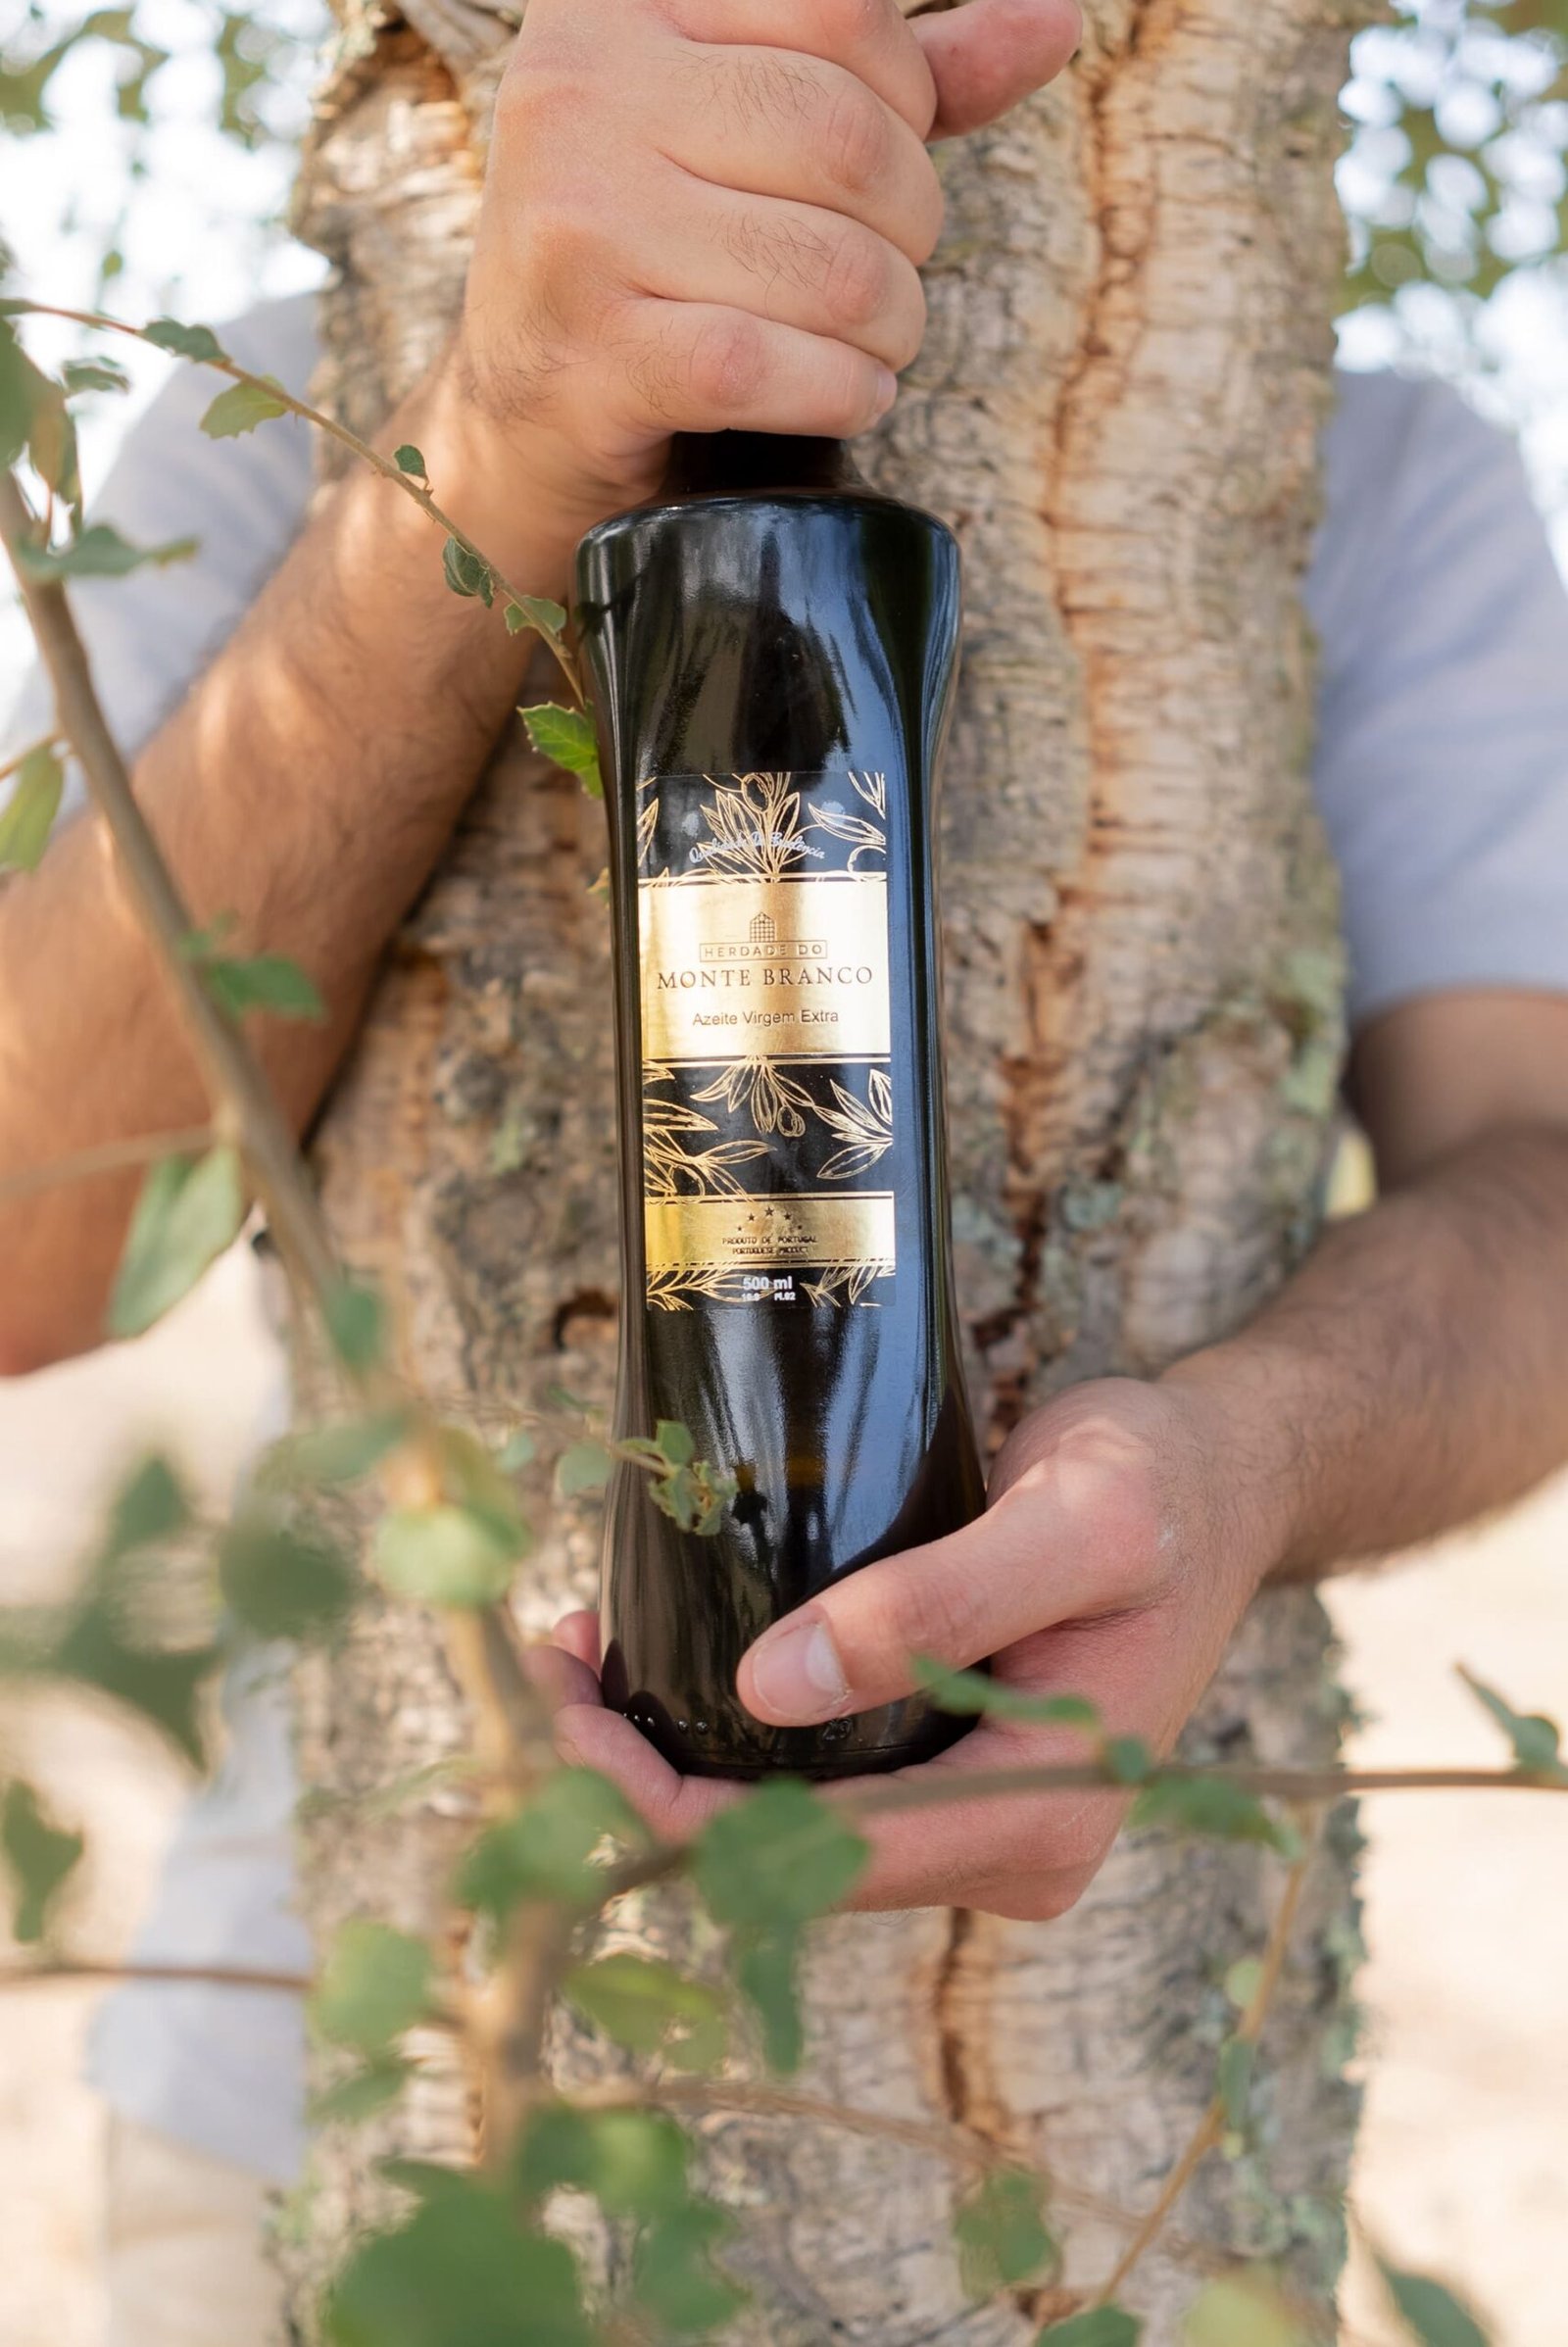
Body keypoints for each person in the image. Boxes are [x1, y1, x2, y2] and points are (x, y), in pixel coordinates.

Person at [5, 0, 1568, 2335]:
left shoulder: (1373, 478)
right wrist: (500, 430)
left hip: (1109, 2159)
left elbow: (1538, 1180)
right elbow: (24, 1242)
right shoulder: (280, 421)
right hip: (335, 2082)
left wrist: (1238, 1465)